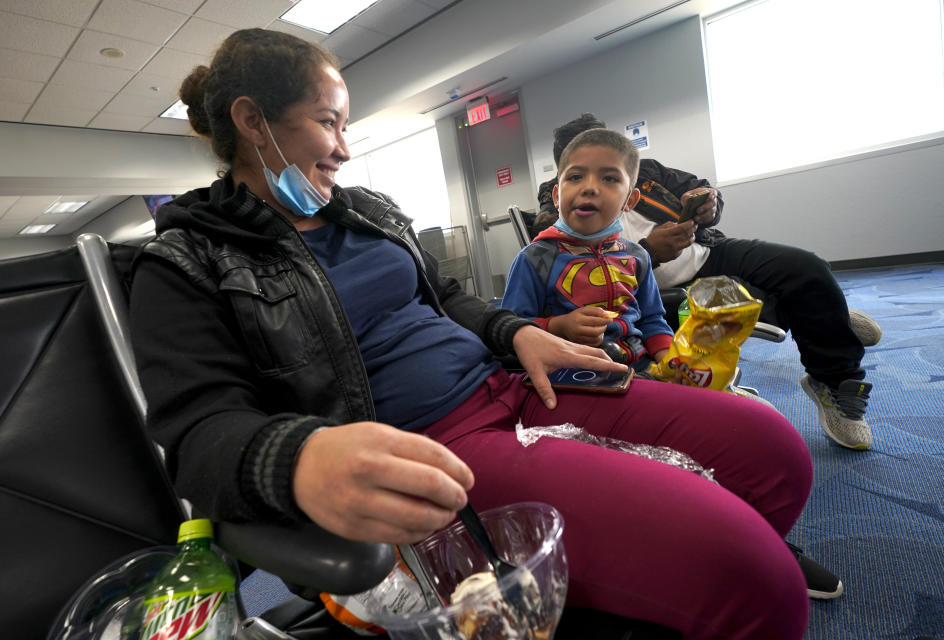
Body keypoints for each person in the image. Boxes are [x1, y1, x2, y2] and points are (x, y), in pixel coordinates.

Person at [130, 28, 821, 639]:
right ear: (254, 121)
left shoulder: (364, 211)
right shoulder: (187, 261)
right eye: (327, 123)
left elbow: (448, 296)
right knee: (759, 584)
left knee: (773, 453)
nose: (344, 147)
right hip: (436, 446)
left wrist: (516, 331)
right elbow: (197, 436)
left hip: (513, 385)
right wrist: (299, 458)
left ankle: (644, 594)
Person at [536, 114, 883, 451]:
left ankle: (828, 355)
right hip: (651, 293)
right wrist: (649, 253)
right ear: (563, 172)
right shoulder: (558, 206)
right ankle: (822, 318)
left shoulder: (649, 171)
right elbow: (570, 276)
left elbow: (699, 187)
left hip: (707, 251)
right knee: (764, 298)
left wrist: (708, 205)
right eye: (583, 167)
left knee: (806, 268)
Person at [501, 128, 673, 374]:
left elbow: (652, 320)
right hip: (573, 376)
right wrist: (559, 326)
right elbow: (512, 330)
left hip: (640, 369)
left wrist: (670, 361)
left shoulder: (637, 256)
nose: (589, 188)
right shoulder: (534, 259)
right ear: (558, 196)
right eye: (575, 177)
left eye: (610, 179)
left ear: (629, 201)